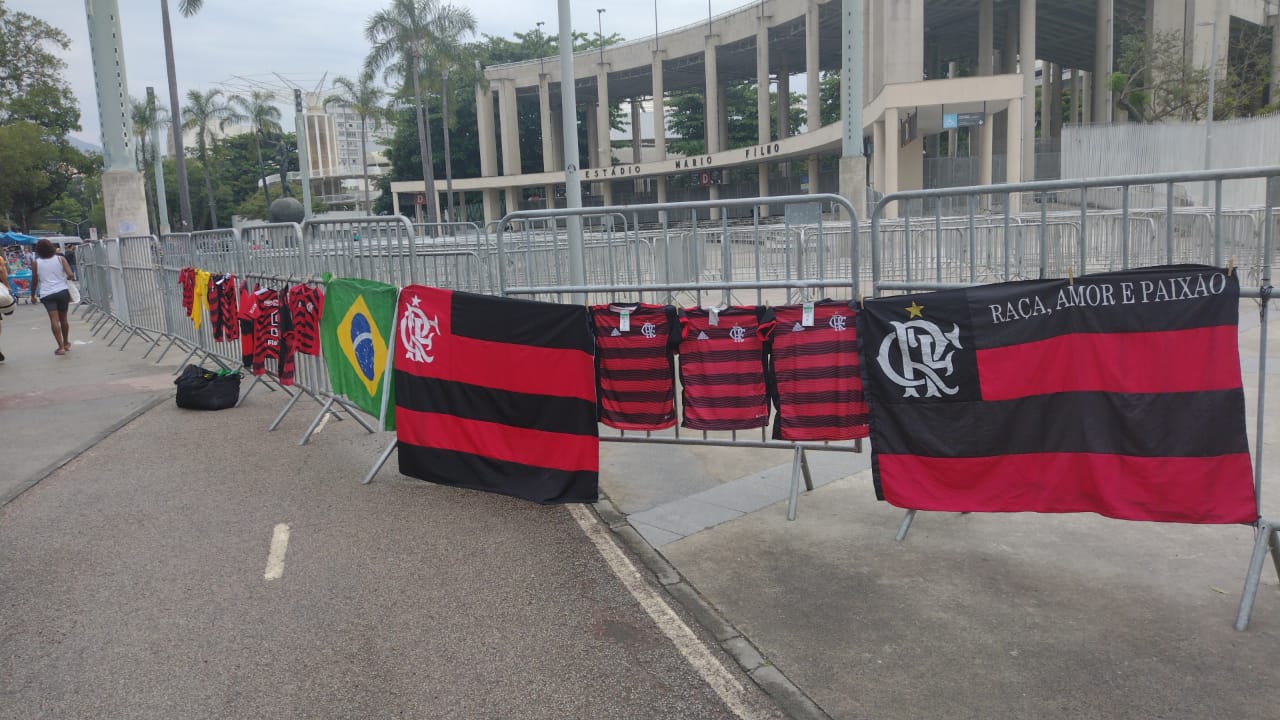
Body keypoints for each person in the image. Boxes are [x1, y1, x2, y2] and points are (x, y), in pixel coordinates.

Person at [30, 238, 75, 355]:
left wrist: (33, 295)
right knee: (63, 319)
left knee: (54, 319)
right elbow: (70, 274)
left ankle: (60, 347)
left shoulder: (36, 263)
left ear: (38, 250)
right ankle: (66, 342)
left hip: (47, 294)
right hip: (62, 292)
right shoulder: (60, 259)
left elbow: (34, 280)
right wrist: (66, 279)